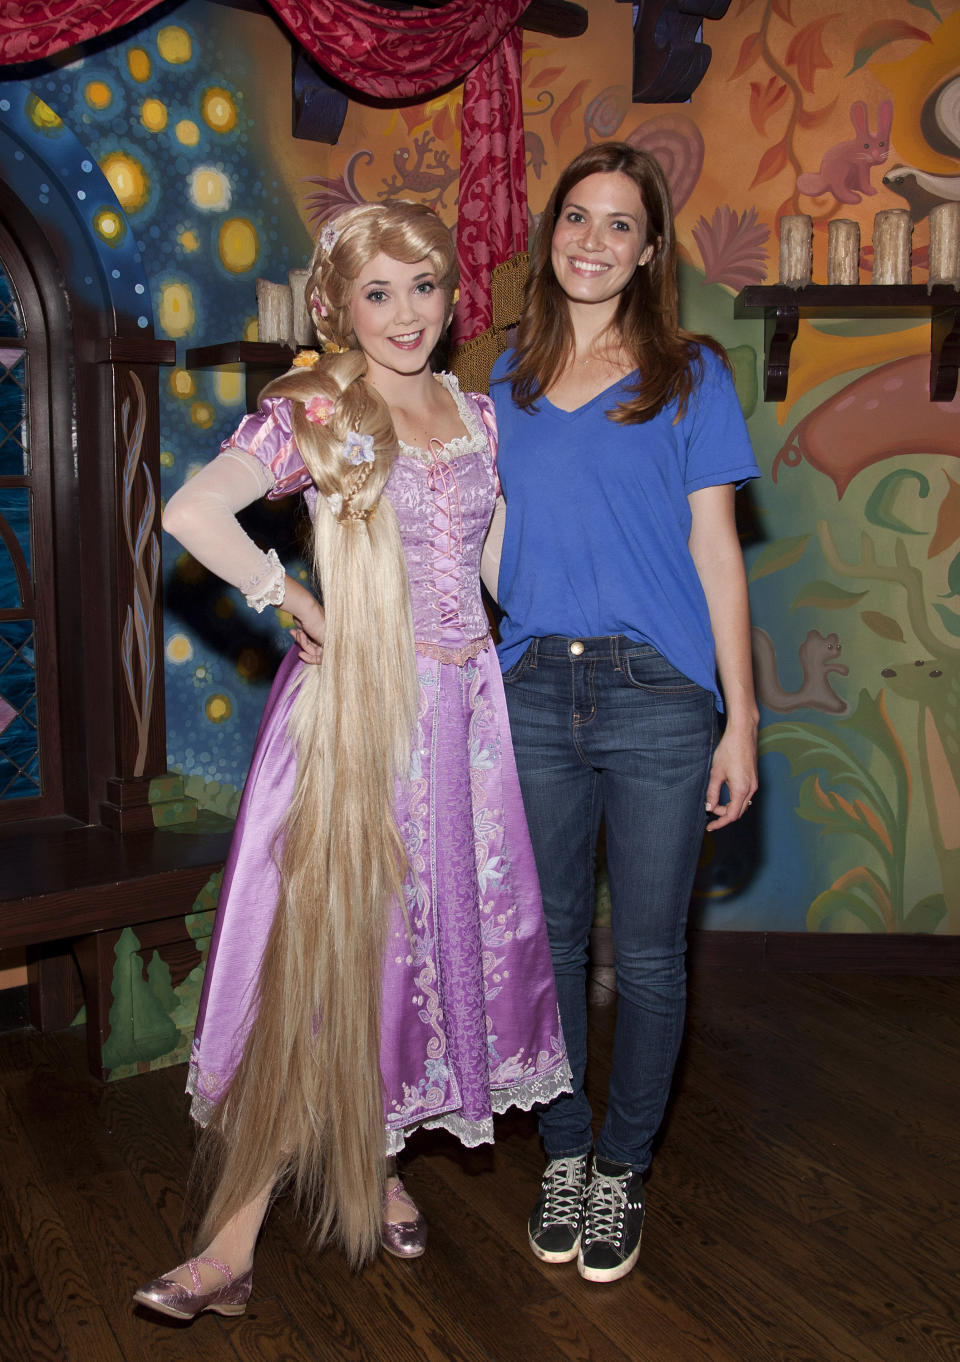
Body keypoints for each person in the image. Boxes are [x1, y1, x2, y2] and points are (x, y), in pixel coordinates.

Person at [133, 201, 569, 1321]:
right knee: (329, 957)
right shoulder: (319, 409)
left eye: (423, 288)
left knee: (415, 956)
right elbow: (192, 510)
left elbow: (505, 575)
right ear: (337, 305)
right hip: (358, 723)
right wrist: (291, 598)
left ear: (449, 297)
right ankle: (230, 1245)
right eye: (378, 292)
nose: (406, 313)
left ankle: (372, 1167)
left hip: (464, 726)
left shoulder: (478, 416)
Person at [488, 142, 760, 1284]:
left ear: (650, 251)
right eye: (576, 219)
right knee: (545, 949)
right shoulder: (498, 381)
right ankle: (562, 1148)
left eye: (619, 225)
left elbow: (718, 553)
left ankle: (621, 1169)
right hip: (535, 687)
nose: (592, 241)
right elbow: (486, 544)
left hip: (659, 701)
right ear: (552, 236)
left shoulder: (692, 375)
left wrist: (742, 720)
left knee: (647, 959)